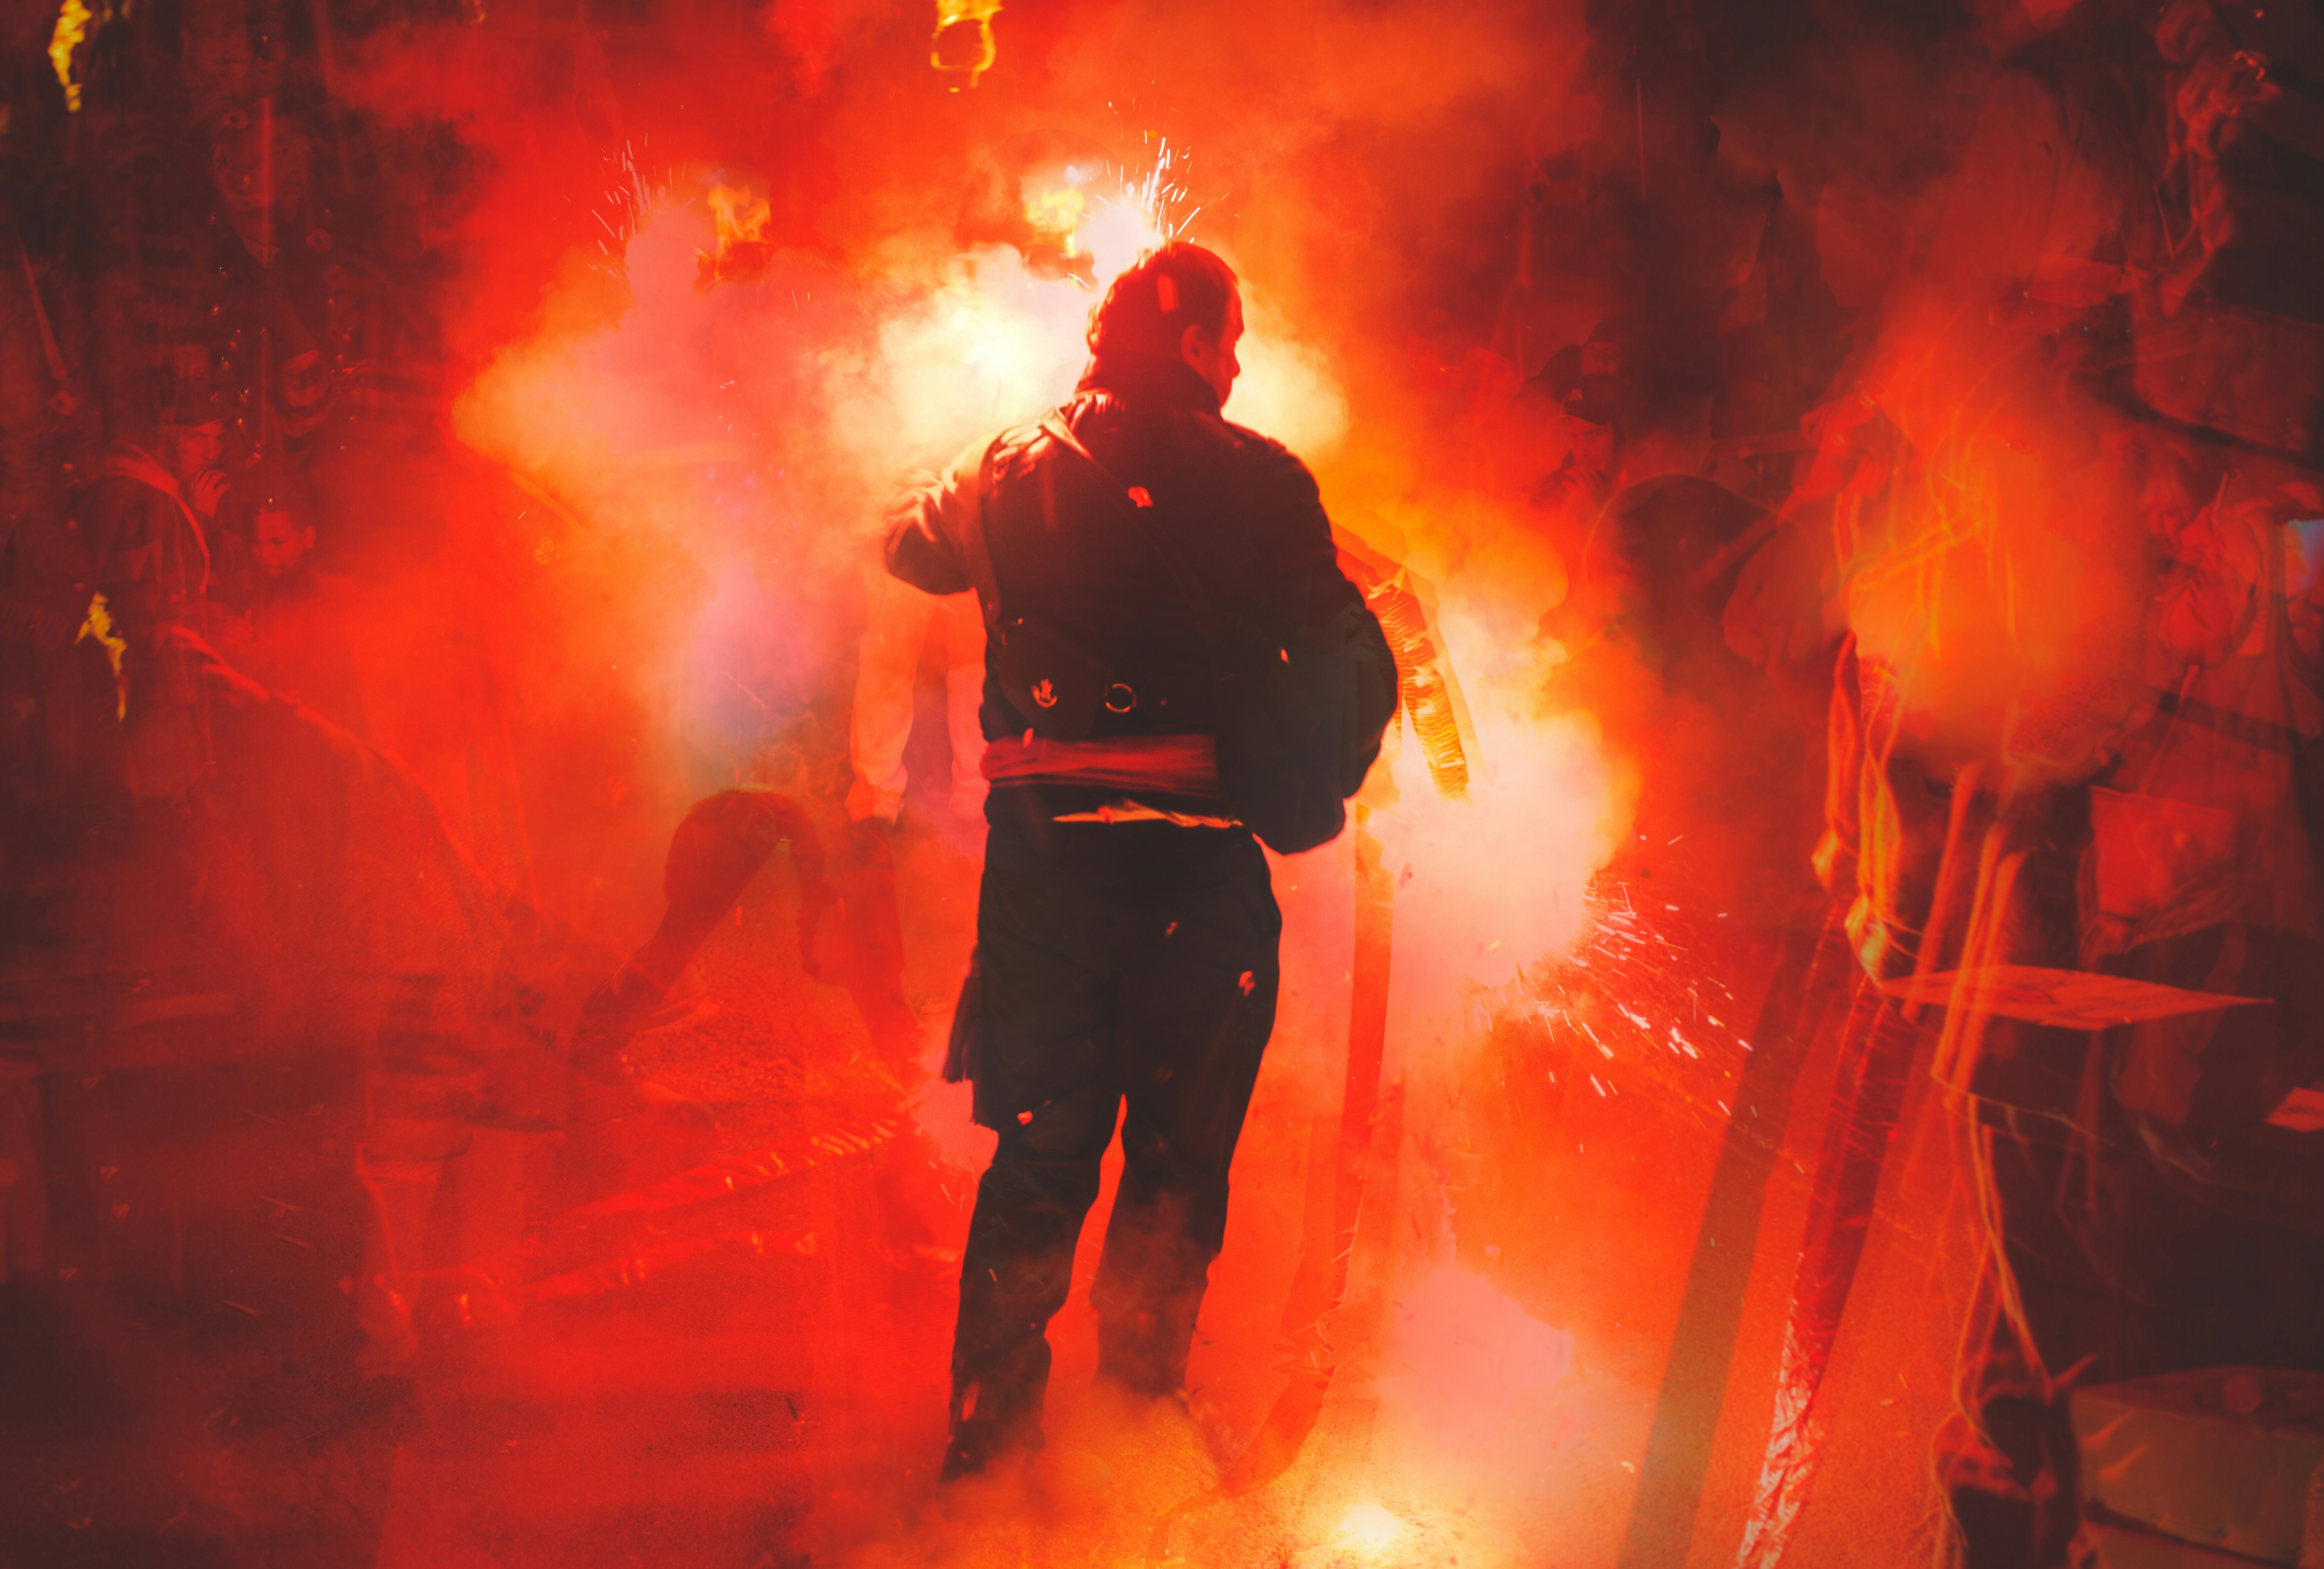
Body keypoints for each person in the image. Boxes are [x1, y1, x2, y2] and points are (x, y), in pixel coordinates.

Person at [884, 242, 1395, 1478]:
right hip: (1198, 877)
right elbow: (1347, 668)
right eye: (1231, 337)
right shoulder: (1263, 480)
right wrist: (1309, 785)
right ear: (1193, 343)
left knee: (1040, 1154)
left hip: (1044, 883)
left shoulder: (1002, 466)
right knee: (1175, 1161)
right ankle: (1137, 1421)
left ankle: (989, 1443)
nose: (1239, 361)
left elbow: (909, 548)